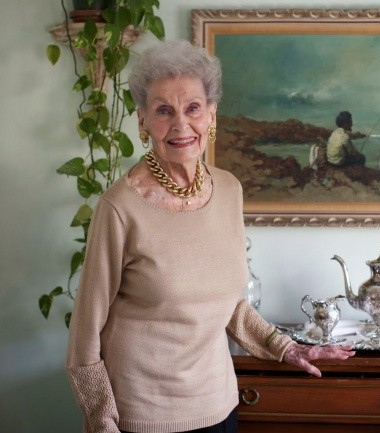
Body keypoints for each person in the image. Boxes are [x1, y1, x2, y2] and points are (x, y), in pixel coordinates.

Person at [65, 40, 355, 433]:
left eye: (193, 108)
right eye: (163, 110)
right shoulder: (119, 208)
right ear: (142, 120)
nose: (180, 125)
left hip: (219, 405)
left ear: (211, 114)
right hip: (142, 414)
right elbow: (83, 339)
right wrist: (102, 422)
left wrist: (285, 347)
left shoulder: (229, 190)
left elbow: (227, 303)